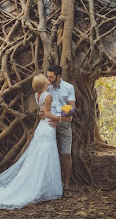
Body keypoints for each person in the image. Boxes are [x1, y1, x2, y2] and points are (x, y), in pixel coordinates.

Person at [0, 74, 64, 209]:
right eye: (46, 78)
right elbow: (47, 114)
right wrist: (61, 118)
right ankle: (42, 187)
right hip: (47, 128)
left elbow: (42, 113)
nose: (47, 78)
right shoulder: (48, 96)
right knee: (46, 156)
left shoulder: (37, 95)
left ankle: (39, 185)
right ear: (43, 83)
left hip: (41, 128)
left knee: (38, 157)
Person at [40, 65, 76, 198]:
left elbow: (71, 108)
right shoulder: (46, 87)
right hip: (48, 124)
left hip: (64, 123)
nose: (48, 78)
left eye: (51, 76)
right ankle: (46, 186)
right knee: (46, 153)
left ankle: (66, 186)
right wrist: (42, 113)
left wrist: (59, 119)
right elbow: (41, 103)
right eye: (47, 75)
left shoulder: (68, 87)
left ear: (58, 76)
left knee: (66, 154)